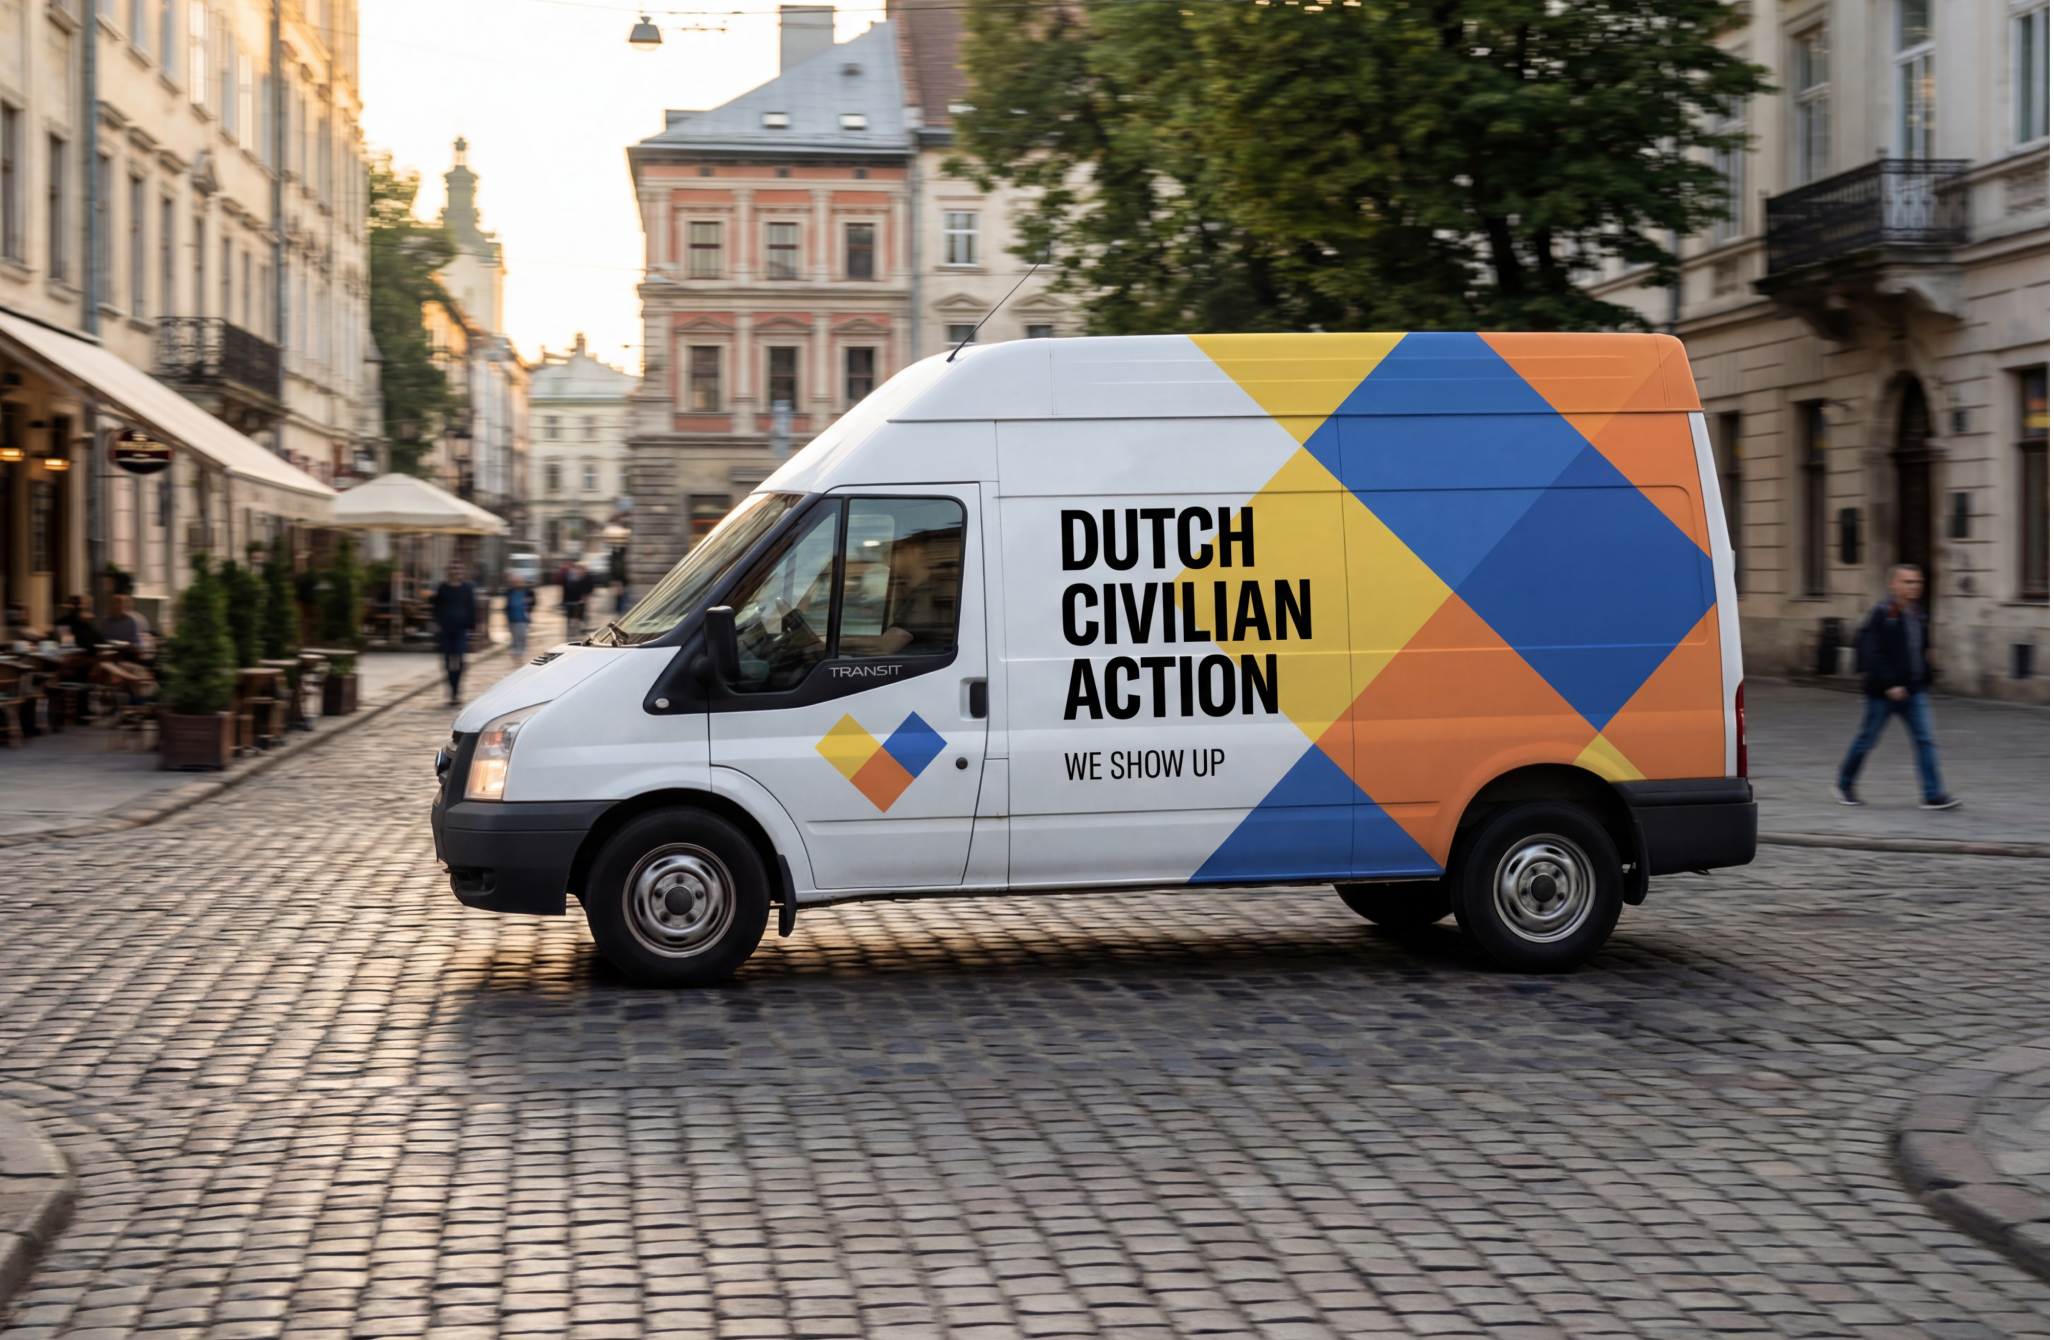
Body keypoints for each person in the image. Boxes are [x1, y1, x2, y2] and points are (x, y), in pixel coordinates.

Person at [1834, 563, 1960, 810]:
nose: (1914, 587)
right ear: (1893, 584)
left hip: (1914, 691)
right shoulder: (1883, 613)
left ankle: (1933, 795)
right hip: (1882, 693)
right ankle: (1844, 784)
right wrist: (1890, 683)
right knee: (1866, 740)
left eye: (1917, 582)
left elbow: (1921, 649)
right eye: (1908, 582)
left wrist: (1927, 674)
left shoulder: (1919, 614)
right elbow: (1871, 652)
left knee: (1925, 740)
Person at [430, 561, 479, 704]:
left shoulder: (467, 588)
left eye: (458, 571)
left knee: (459, 660)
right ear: (449, 572)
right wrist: (436, 622)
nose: (456, 573)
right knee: (446, 662)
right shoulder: (442, 588)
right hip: (445, 629)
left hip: (461, 629)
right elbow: (436, 607)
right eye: (453, 570)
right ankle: (450, 689)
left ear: (462, 573)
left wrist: (472, 626)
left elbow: (472, 607)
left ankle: (457, 691)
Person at [99, 593, 155, 659]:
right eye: (113, 603)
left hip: (127, 657)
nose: (116, 606)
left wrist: (129, 645)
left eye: (119, 603)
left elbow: (137, 644)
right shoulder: (106, 622)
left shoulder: (132, 621)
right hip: (110, 655)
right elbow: (103, 641)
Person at [560, 562, 594, 640]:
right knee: (571, 619)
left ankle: (578, 632)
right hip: (571, 601)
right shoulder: (570, 577)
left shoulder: (586, 578)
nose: (578, 571)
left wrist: (586, 595)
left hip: (580, 602)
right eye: (577, 569)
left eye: (580, 569)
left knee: (580, 617)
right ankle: (572, 634)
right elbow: (566, 589)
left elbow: (588, 588)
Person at [504, 574, 534, 661]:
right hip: (512, 617)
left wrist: (529, 602)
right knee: (514, 637)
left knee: (522, 636)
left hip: (523, 618)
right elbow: (507, 605)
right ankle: (515, 652)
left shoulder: (527, 591)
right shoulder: (509, 592)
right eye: (514, 582)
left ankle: (520, 653)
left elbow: (534, 602)